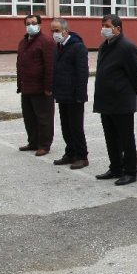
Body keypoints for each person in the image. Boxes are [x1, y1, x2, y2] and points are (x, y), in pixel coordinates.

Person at [93, 14, 137, 186]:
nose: (104, 29)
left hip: (121, 101)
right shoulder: (104, 46)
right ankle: (116, 167)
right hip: (105, 100)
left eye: (107, 26)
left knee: (125, 138)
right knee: (110, 137)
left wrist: (134, 93)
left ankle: (130, 171)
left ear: (117, 28)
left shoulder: (127, 47)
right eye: (102, 25)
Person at [50, 18, 89, 169]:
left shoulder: (77, 47)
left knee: (76, 127)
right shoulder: (59, 47)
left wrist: (80, 95)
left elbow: (82, 73)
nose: (54, 34)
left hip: (74, 95)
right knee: (66, 127)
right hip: (62, 94)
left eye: (57, 30)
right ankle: (70, 152)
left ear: (65, 31)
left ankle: (82, 156)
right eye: (52, 31)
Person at [17, 14, 55, 156]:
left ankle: (44, 145)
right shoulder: (23, 42)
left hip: (41, 88)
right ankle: (33, 142)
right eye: (28, 23)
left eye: (33, 23)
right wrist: (19, 84)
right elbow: (19, 63)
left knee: (44, 118)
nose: (30, 26)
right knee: (29, 117)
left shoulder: (46, 41)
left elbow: (50, 66)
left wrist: (48, 87)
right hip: (26, 87)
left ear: (39, 24)